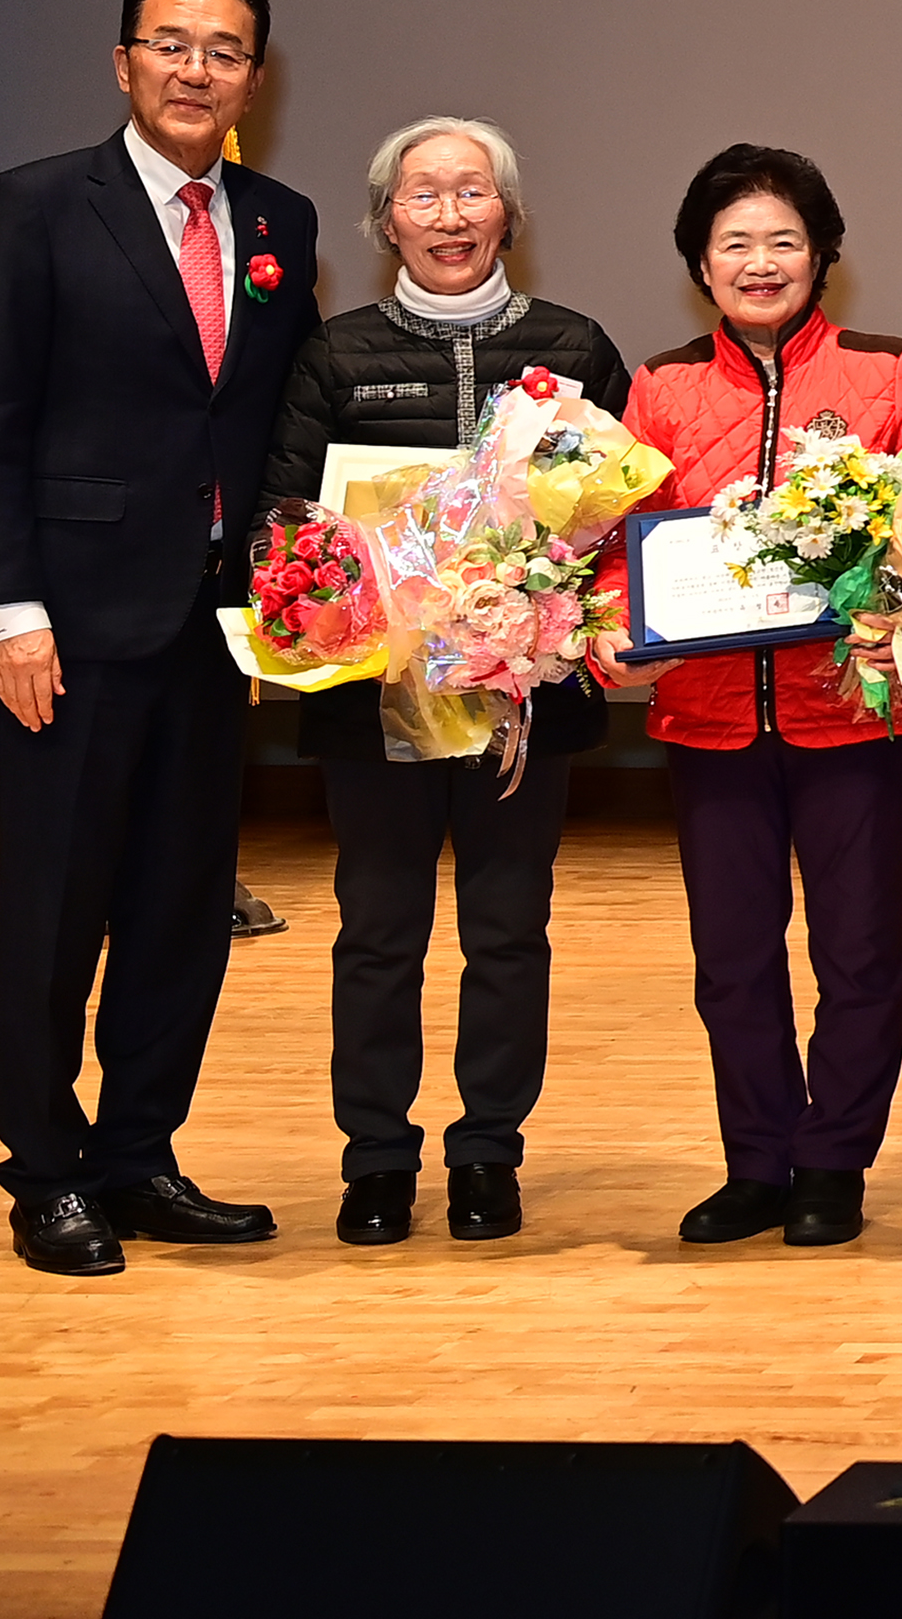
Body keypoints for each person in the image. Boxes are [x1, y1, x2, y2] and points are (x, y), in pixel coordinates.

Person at [0, 0, 320, 1276]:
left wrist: (302, 604)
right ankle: (45, 1173)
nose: (196, 69)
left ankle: (140, 1155)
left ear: (255, 82)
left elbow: (283, 429)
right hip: (67, 624)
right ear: (124, 62)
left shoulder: (281, 224)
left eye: (224, 51)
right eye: (172, 44)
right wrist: (9, 605)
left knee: (178, 909)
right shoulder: (38, 207)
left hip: (213, 632)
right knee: (56, 912)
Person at [264, 116, 630, 1246]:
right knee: (378, 931)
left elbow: (620, 513)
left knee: (509, 930)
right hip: (377, 700)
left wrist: (557, 604)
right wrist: (342, 589)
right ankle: (375, 1159)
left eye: (472, 193)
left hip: (525, 693)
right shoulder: (334, 353)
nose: (451, 215)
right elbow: (288, 524)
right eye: (424, 196)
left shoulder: (574, 344)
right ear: (386, 222)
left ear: (508, 213)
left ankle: (487, 1154)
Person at [613, 145, 902, 1249]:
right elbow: (626, 545)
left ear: (825, 255)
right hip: (709, 716)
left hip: (854, 710)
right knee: (733, 958)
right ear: (699, 265)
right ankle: (755, 1161)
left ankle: (833, 1161)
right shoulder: (662, 386)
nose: (761, 264)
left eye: (783, 242)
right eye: (734, 245)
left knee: (859, 950)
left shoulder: (893, 370)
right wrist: (618, 625)